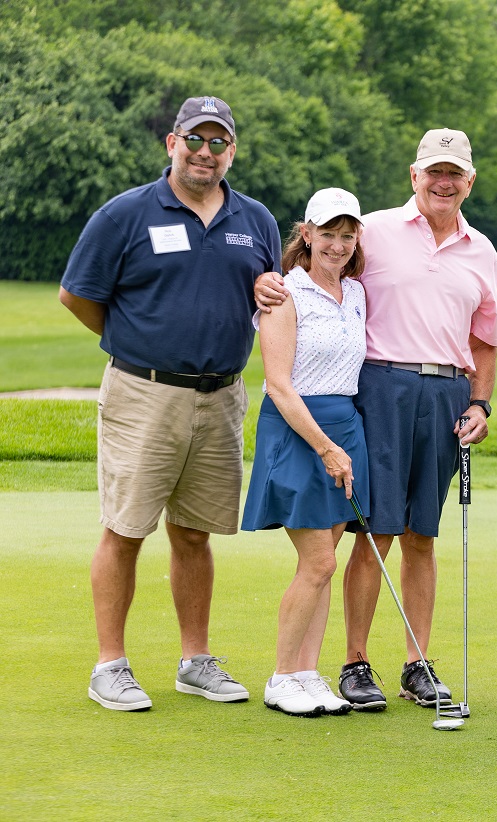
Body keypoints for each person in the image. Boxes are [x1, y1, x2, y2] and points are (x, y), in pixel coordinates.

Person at [255, 128, 497, 711]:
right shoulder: (377, 231)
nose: (443, 182)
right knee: (376, 531)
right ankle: (355, 662)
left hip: (447, 394)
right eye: (433, 172)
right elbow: (315, 278)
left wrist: (480, 402)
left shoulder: (482, 250)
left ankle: (417, 663)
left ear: (469, 181)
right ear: (414, 176)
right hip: (382, 387)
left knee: (423, 535)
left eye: (454, 173)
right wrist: (268, 280)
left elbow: (484, 338)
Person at [59, 96, 281, 711]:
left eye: (218, 143)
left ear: (231, 150)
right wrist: (134, 341)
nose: (205, 153)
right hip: (143, 392)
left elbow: (266, 287)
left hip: (221, 397)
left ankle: (195, 661)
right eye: (195, 140)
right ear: (172, 143)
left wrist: (267, 290)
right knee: (125, 529)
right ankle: (111, 664)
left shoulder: (254, 218)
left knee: (193, 533)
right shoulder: (125, 214)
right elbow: (78, 296)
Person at [242, 188, 368, 717]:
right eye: (328, 234)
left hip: (346, 425)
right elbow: (278, 385)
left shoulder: (356, 293)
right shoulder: (283, 293)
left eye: (347, 235)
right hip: (301, 433)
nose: (337, 245)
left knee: (327, 563)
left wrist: (342, 445)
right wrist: (326, 449)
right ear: (307, 234)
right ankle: (280, 676)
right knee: (316, 561)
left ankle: (308, 674)